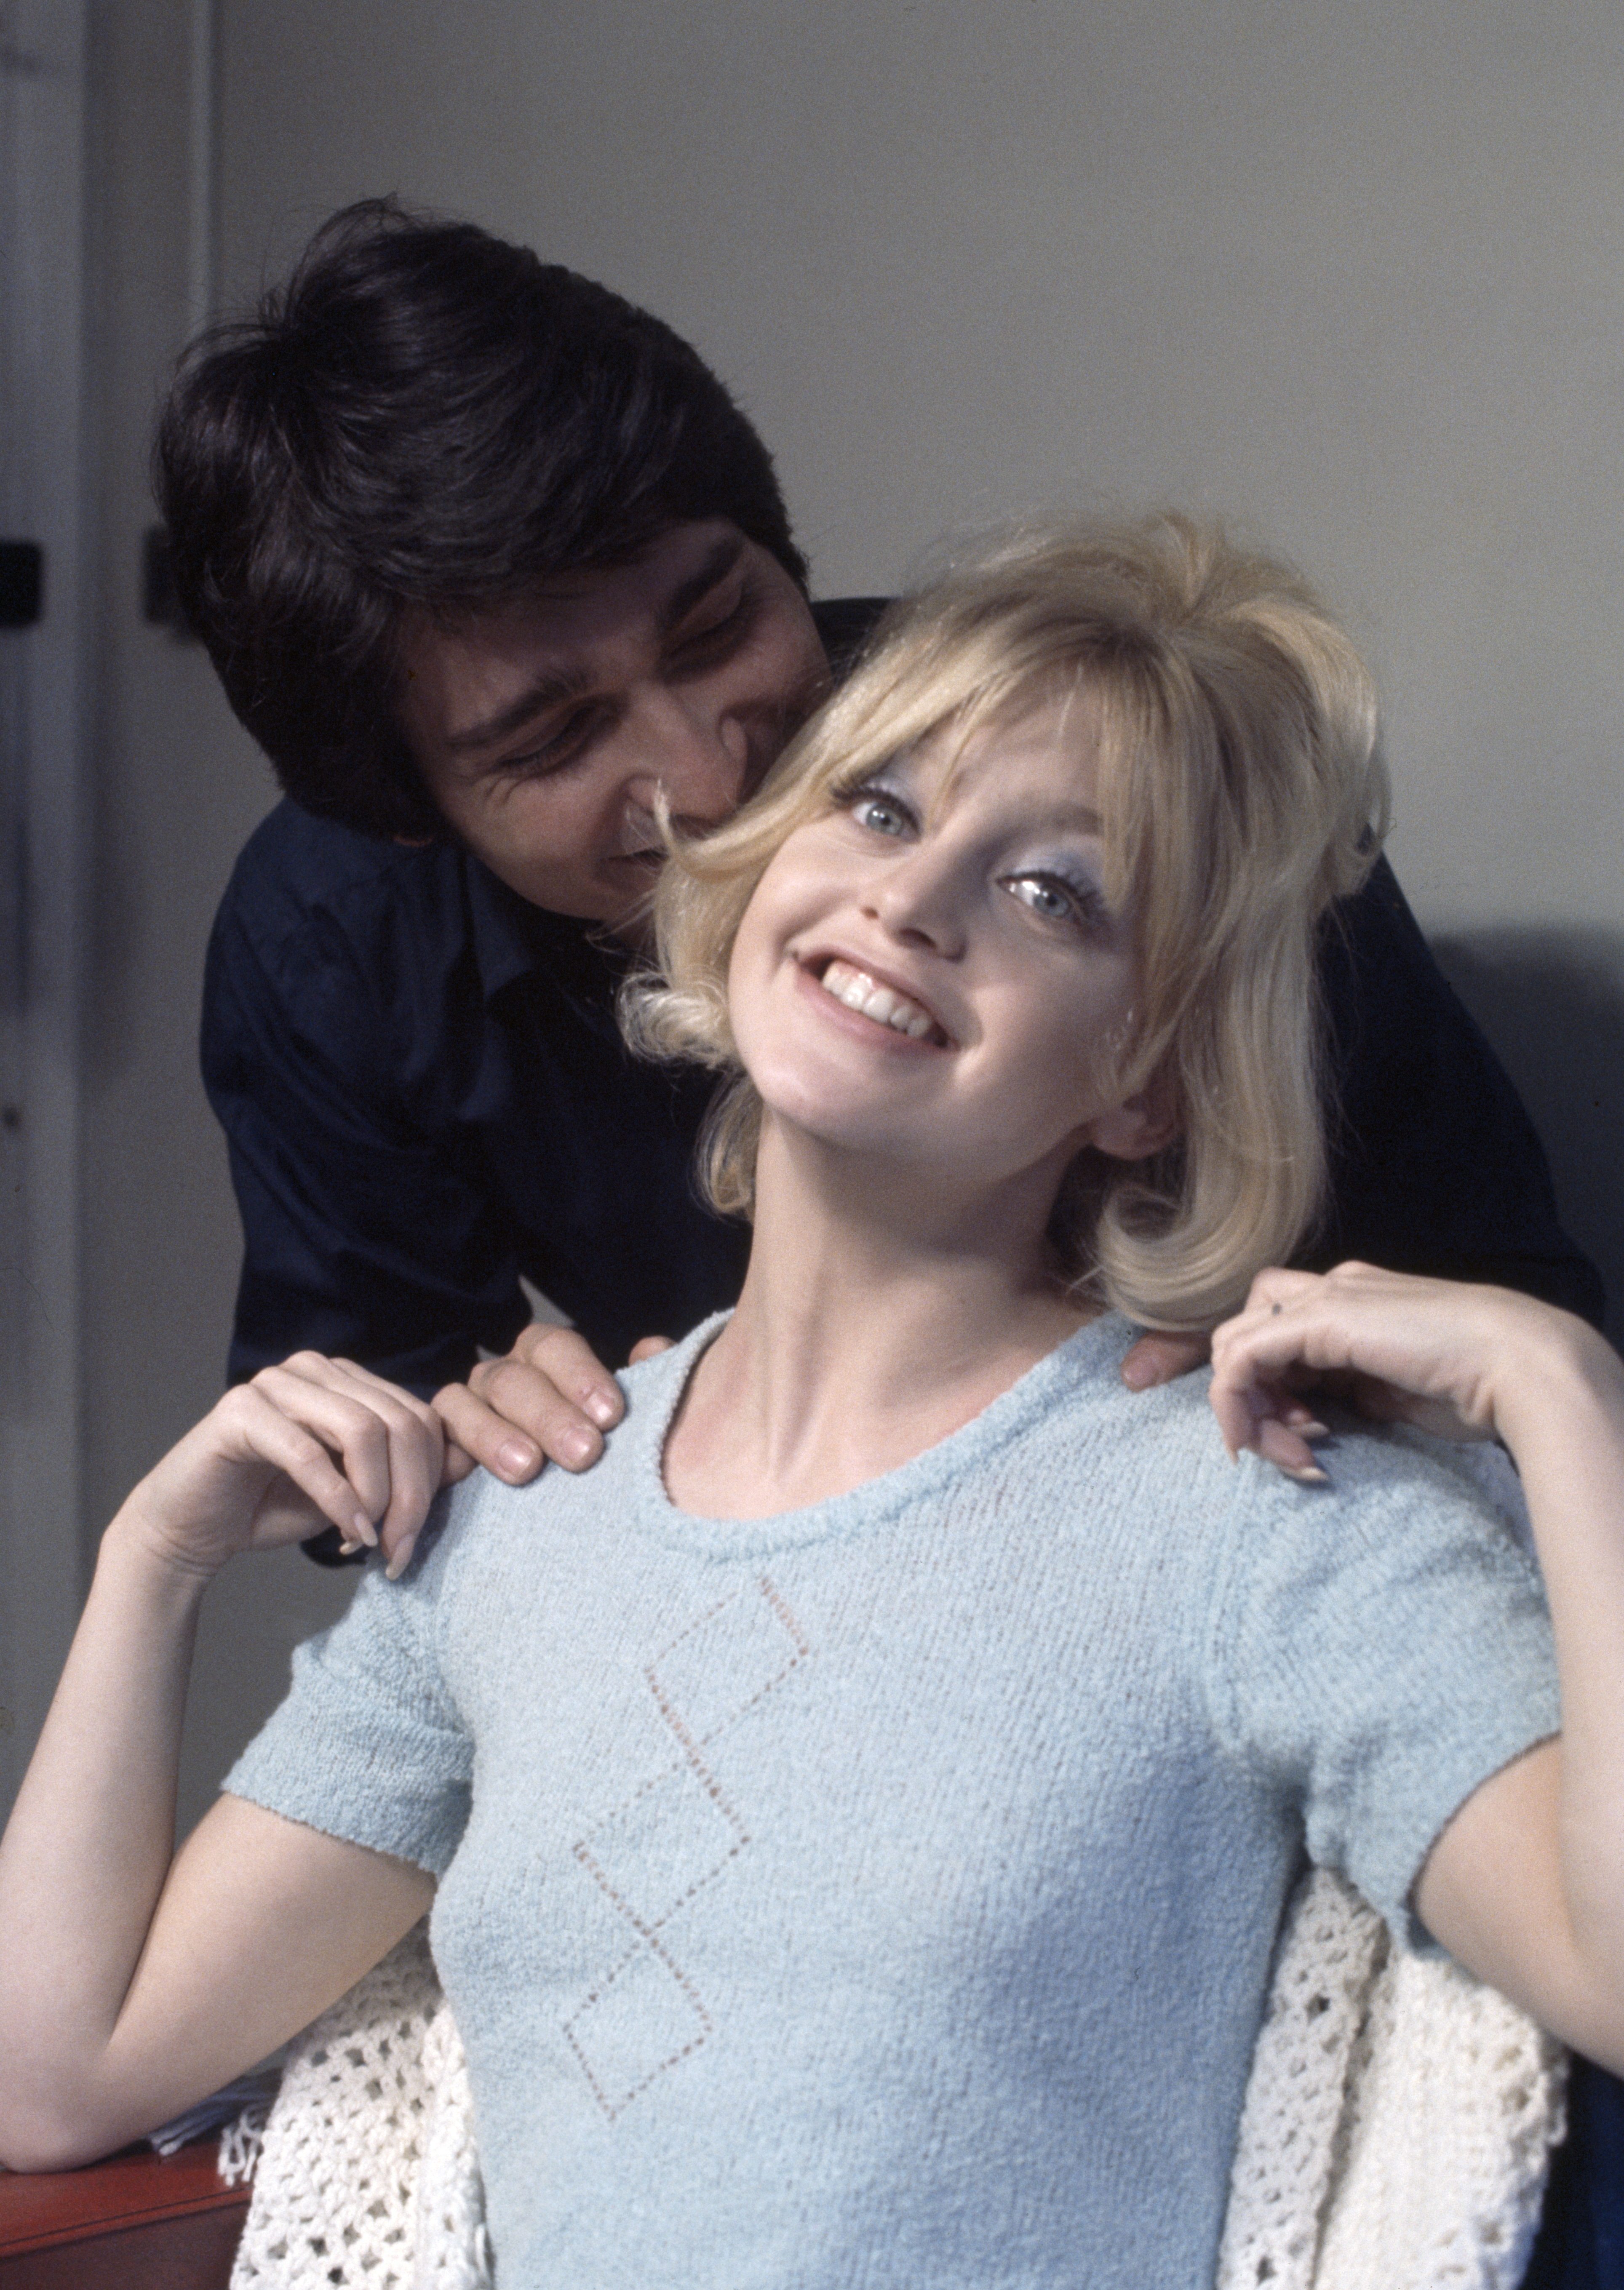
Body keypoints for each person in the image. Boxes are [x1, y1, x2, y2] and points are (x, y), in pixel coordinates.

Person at [4, 516, 1621, 2288]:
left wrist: (1560, 1401)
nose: (910, 900)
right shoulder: (517, 1517)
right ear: (756, 863)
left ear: (1143, 1082)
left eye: (1050, 892)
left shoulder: (1268, 1511)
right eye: (880, 806)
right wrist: (150, 1560)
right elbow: (51, 2075)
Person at [160, 198, 1601, 1512]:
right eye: (553, 743)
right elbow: (339, 1437)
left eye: (719, 625)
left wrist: (1324, 1383)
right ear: (412, 807)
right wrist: (463, 1425)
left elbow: (1512, 1325)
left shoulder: (1150, 787)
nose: (719, 778)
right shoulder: (334, 943)